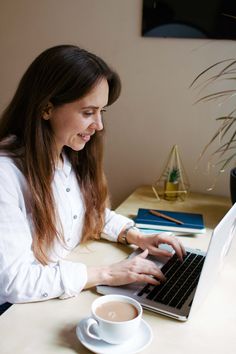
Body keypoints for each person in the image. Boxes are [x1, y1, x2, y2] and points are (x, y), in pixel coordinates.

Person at [0, 45, 185, 309]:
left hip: (51, 293)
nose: (98, 125)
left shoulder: (65, 154)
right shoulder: (5, 175)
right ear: (46, 108)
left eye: (102, 112)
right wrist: (107, 273)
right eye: (88, 112)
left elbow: (86, 213)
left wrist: (134, 235)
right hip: (13, 312)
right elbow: (15, 282)